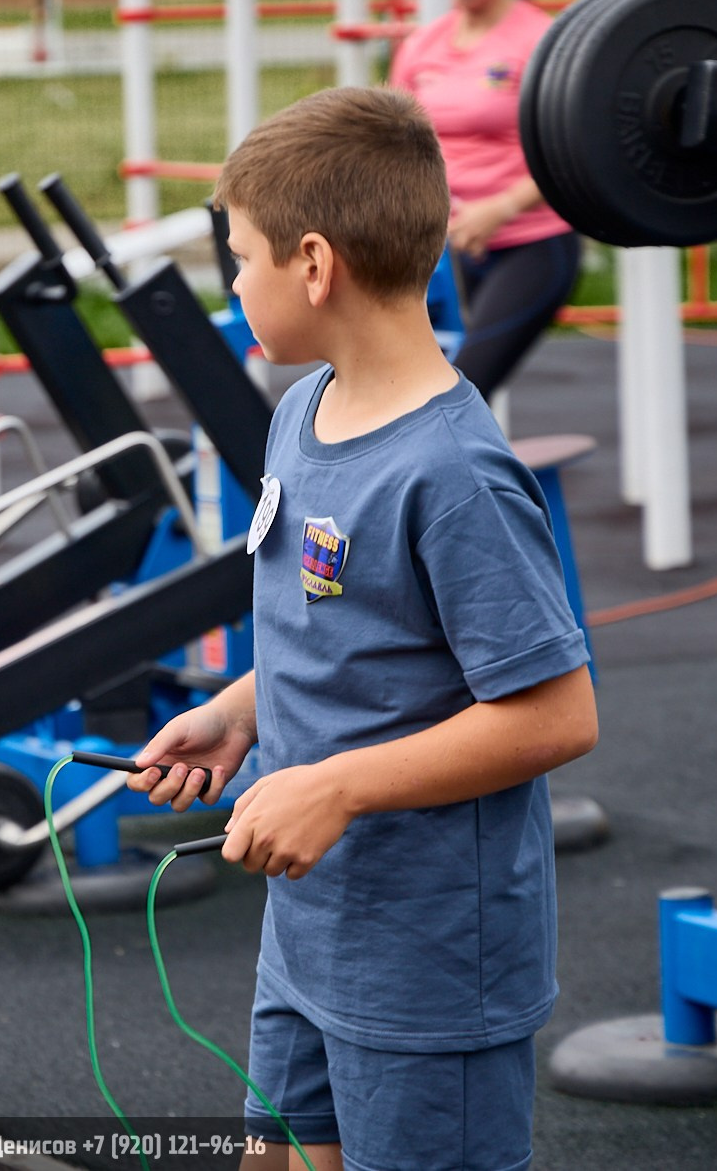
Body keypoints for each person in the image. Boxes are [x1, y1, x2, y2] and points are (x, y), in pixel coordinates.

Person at [128, 86, 599, 1171]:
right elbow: (351, 626)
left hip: (427, 953)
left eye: (237, 258)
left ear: (310, 264)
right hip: (308, 927)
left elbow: (554, 715)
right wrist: (240, 710)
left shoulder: (453, 472)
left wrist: (335, 785)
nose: (232, 283)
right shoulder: (303, 409)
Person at [387, 0, 581, 399]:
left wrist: (501, 207)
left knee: (458, 389)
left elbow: (574, 150)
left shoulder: (539, 41)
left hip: (529, 243)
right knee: (397, 389)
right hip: (439, 247)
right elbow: (394, 146)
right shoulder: (422, 45)